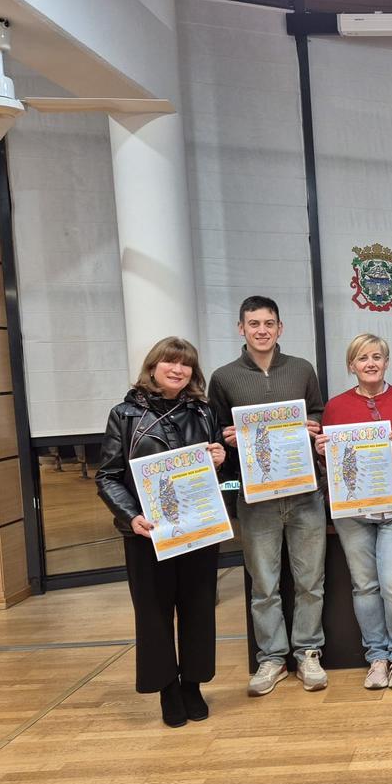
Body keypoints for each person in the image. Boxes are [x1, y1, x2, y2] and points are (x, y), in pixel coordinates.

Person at [96, 337, 226, 727]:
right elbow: (107, 476)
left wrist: (221, 458)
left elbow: (215, 470)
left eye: (186, 364)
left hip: (198, 529)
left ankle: (193, 685)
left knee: (199, 608)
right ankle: (167, 688)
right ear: (153, 367)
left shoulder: (203, 411)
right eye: (170, 362)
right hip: (148, 533)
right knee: (154, 613)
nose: (178, 370)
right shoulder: (125, 415)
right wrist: (130, 516)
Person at [208, 296, 328, 697]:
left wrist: (313, 426)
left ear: (280, 327)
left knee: (310, 581)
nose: (262, 330)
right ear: (241, 328)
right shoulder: (224, 377)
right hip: (256, 496)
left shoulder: (301, 369)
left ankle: (308, 652)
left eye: (269, 323)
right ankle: (272, 658)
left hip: (304, 492)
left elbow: (318, 411)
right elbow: (215, 429)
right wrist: (226, 438)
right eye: (254, 323)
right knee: (264, 584)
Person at [316, 334, 392, 691]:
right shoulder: (335, 407)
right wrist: (322, 451)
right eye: (362, 358)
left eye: (377, 356)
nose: (370, 363)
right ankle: (377, 657)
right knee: (364, 586)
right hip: (353, 513)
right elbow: (331, 466)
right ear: (351, 365)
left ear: (387, 362)